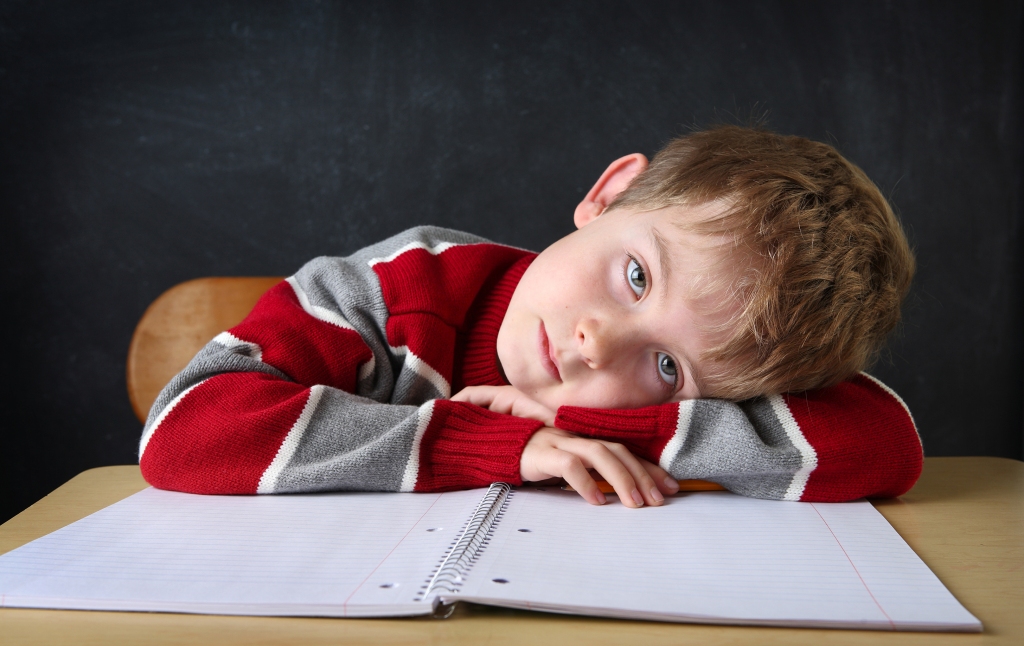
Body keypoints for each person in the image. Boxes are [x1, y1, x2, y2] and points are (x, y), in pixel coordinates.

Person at [139, 126, 921, 507]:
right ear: (608, 196)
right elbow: (183, 428)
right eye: (637, 276)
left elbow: (886, 445)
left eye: (668, 366)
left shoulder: (643, 408)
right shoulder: (402, 290)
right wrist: (496, 442)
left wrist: (606, 427)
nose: (598, 344)